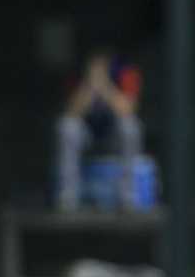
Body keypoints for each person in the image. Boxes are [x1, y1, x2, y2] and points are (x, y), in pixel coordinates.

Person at [54, 53, 144, 212]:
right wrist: (90, 86)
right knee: (67, 127)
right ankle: (67, 198)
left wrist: (105, 87)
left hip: (112, 134)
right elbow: (71, 112)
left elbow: (127, 110)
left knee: (130, 127)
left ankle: (127, 198)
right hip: (86, 135)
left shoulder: (125, 71)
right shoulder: (78, 73)